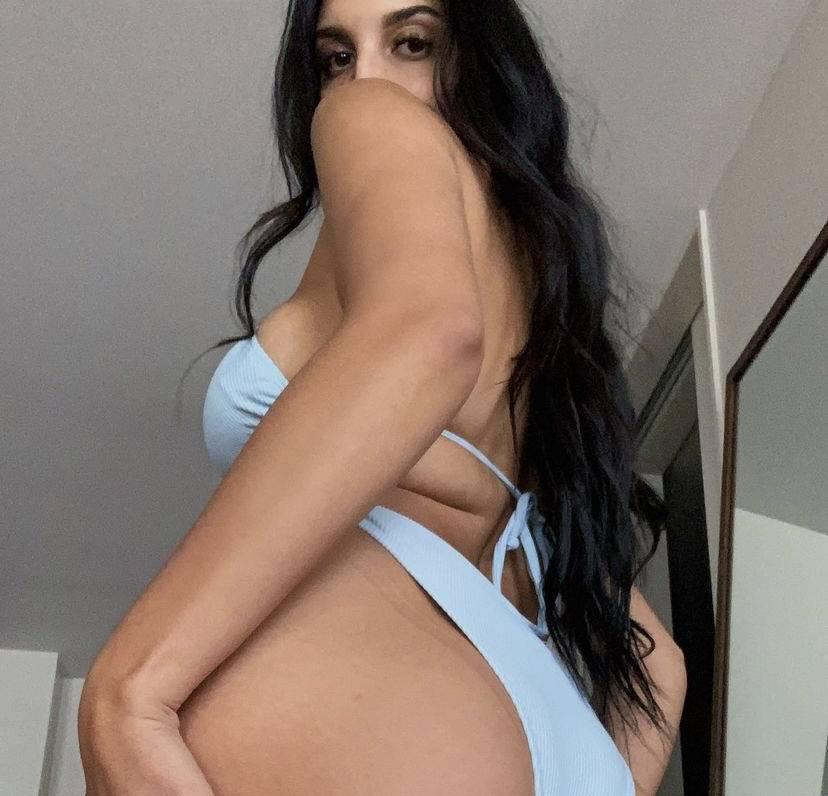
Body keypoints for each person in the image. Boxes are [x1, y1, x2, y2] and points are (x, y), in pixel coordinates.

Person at [78, 1, 687, 794]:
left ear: (484, 61)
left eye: (412, 43)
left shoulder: (363, 116)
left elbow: (427, 334)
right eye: (336, 59)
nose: (365, 78)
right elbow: (660, 671)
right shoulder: (537, 299)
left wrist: (127, 691)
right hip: (531, 734)